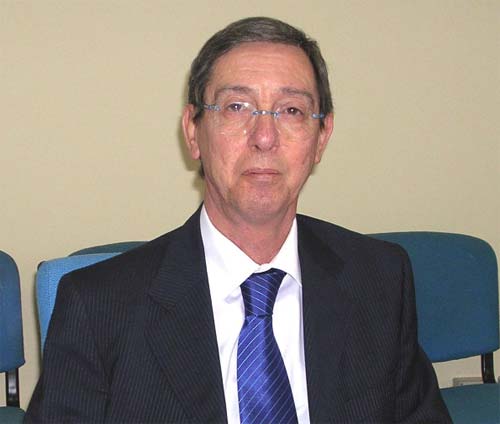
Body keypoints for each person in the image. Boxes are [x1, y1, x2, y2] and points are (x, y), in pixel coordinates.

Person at [25, 16, 451, 423]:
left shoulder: (379, 279)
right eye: (236, 107)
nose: (264, 138)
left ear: (322, 137)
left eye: (291, 111)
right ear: (193, 131)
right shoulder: (98, 307)